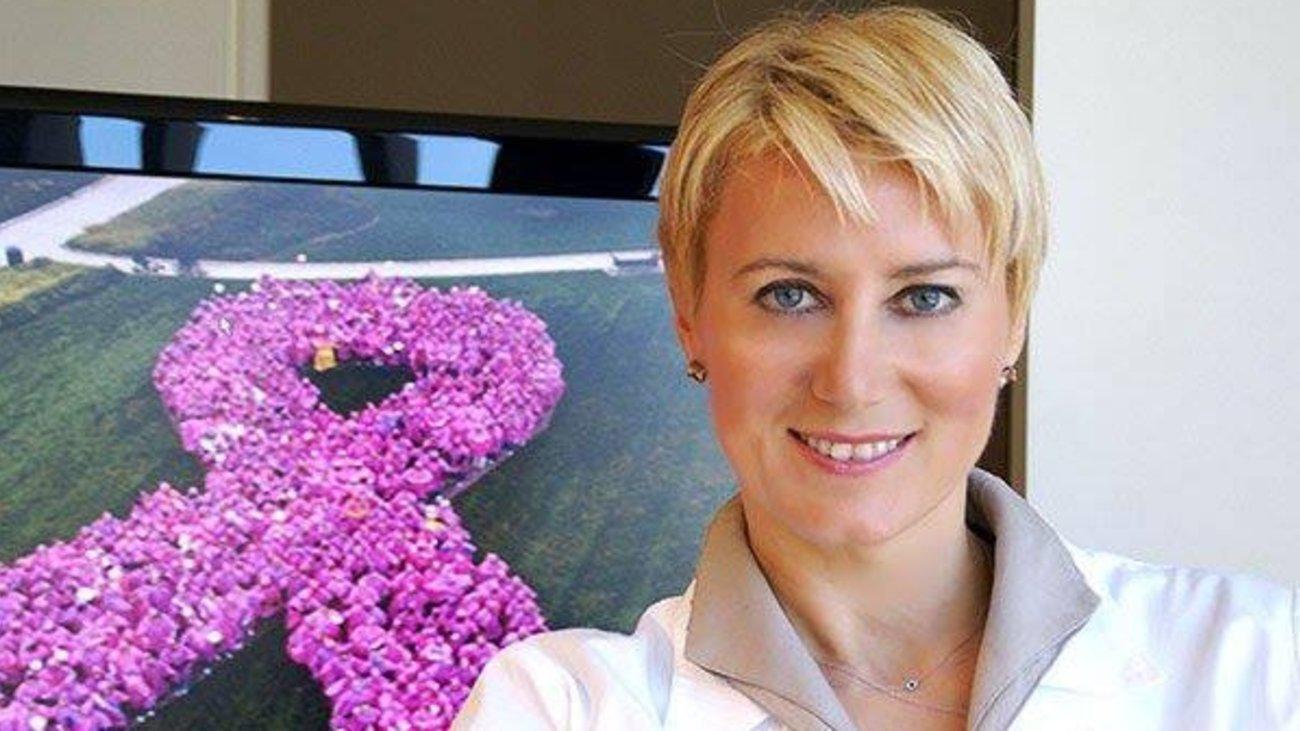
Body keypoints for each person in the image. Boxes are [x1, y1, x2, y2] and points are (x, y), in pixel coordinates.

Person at [452, 6, 1299, 730]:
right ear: (689, 316)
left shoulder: (1259, 663)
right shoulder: (560, 707)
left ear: (1014, 317)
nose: (852, 380)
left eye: (925, 297)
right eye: (789, 295)